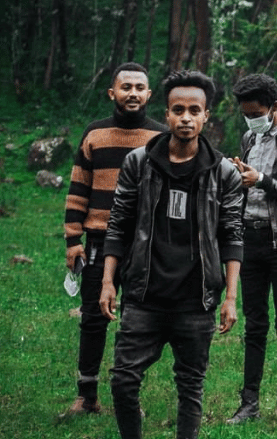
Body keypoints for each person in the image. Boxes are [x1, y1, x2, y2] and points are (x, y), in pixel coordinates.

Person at [100, 70, 244, 439]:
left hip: (195, 301)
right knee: (124, 382)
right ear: (166, 114)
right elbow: (119, 223)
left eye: (194, 111)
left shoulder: (223, 174)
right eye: (178, 110)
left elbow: (232, 235)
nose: (185, 118)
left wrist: (231, 296)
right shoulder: (139, 163)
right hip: (143, 295)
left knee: (190, 386)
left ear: (206, 117)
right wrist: (108, 280)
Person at [62, 62, 166, 417]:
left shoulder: (161, 138)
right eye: (126, 87)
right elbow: (78, 190)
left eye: (140, 87)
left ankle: (127, 394)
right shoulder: (94, 134)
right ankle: (86, 395)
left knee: (136, 321)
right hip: (97, 241)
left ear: (149, 95)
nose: (133, 93)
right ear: (113, 93)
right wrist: (72, 240)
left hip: (144, 245)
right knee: (92, 316)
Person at [225, 74, 277, 424]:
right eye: (245, 113)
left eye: (256, 112)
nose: (250, 119)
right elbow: (246, 187)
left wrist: (262, 180)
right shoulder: (248, 138)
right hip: (251, 240)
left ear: (274, 107)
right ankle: (249, 403)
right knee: (254, 324)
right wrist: (238, 176)